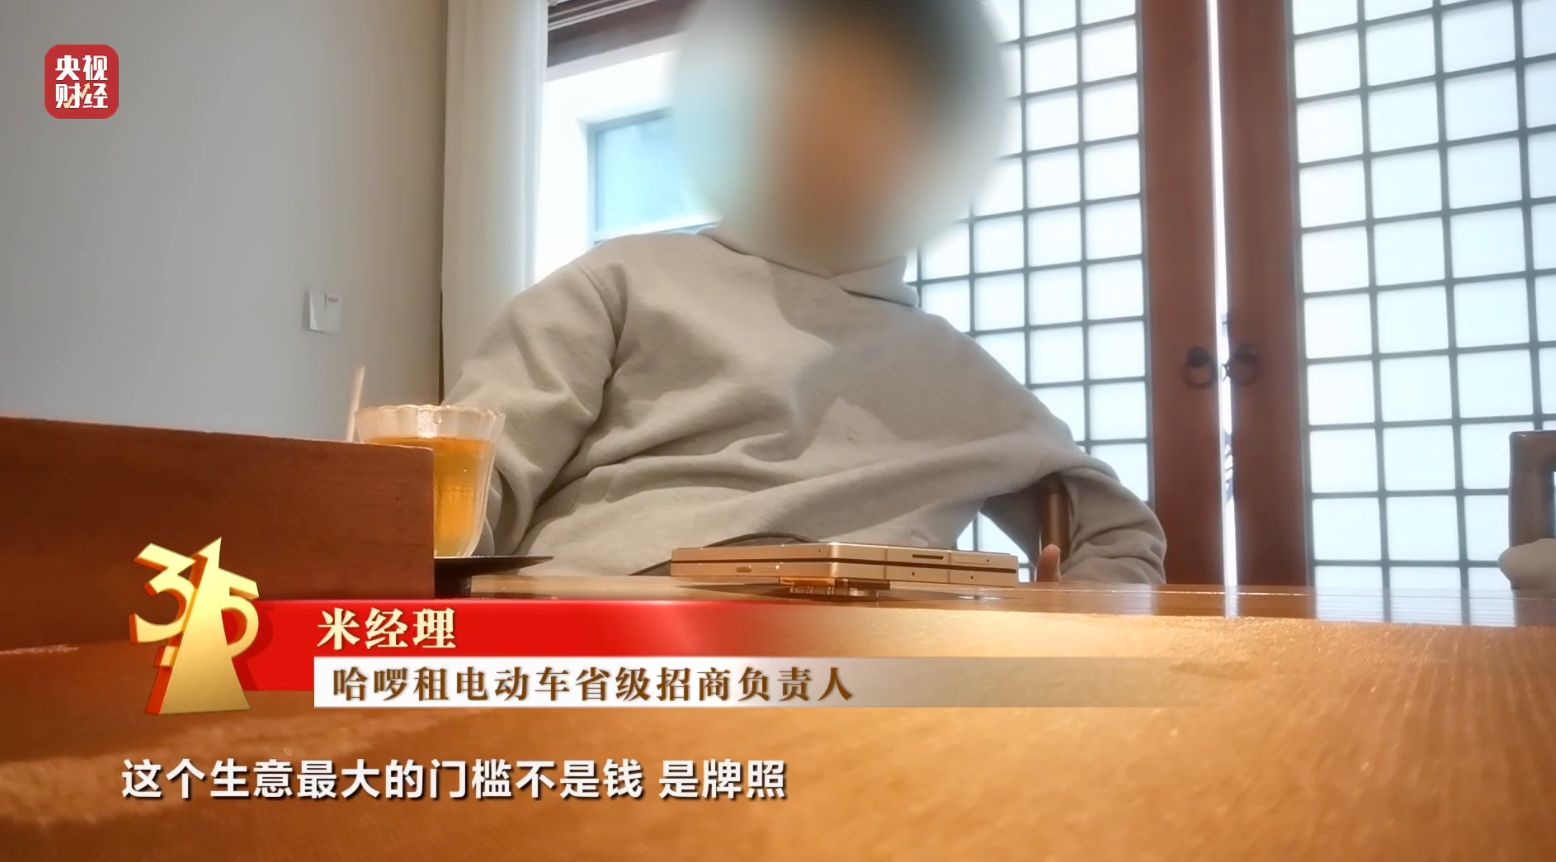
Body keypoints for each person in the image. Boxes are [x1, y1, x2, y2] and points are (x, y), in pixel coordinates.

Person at [447, 0, 1166, 582]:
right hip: (599, 631)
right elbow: (468, 490)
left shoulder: (964, 377)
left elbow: (1120, 534)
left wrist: (1070, 621)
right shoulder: (621, 281)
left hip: (863, 670)